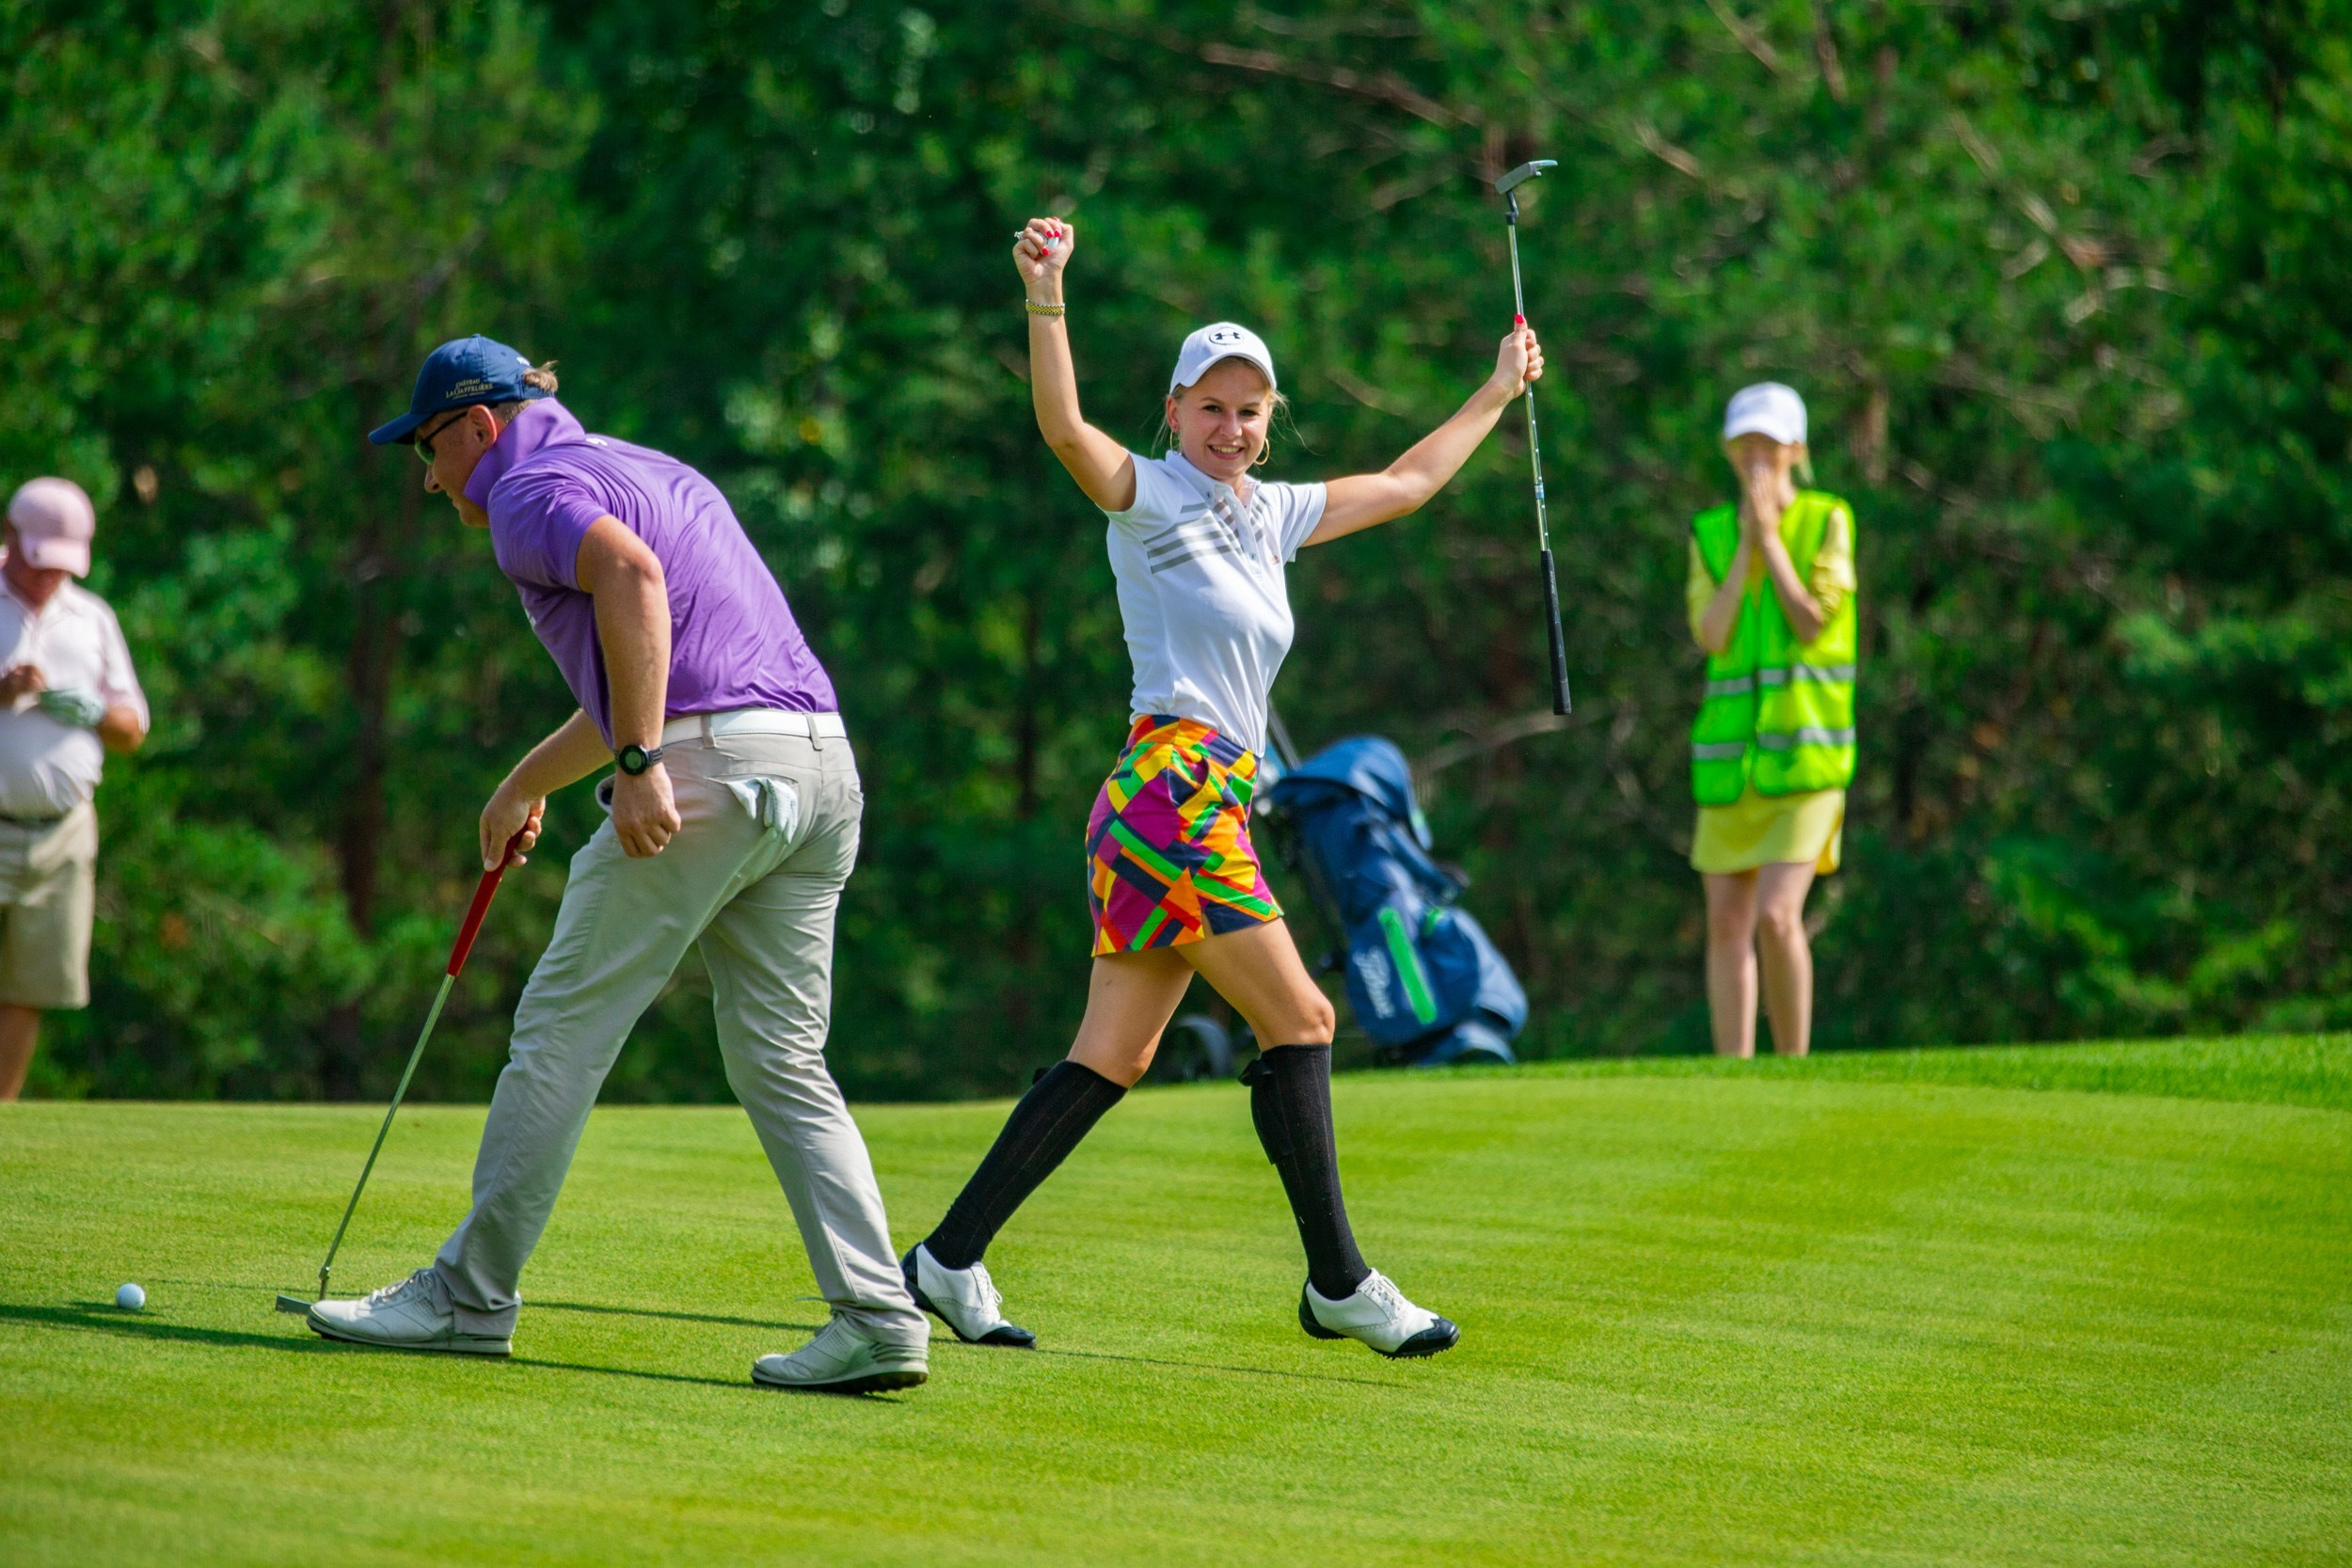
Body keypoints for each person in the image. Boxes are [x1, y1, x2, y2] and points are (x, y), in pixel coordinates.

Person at [897, 217, 1546, 1360]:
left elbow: (1406, 481)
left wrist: (1496, 389)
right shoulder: (1146, 496)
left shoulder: (1275, 512)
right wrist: (1045, 296)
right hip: (1171, 791)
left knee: (1115, 1055)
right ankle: (1339, 1281)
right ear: (1175, 409)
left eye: (1250, 408)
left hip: (1184, 800)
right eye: (1211, 405)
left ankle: (945, 1259)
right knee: (1300, 1016)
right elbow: (1061, 427)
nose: (1232, 425)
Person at [309, 336, 929, 1394]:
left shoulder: (526, 492)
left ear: (479, 425)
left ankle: (468, 1296)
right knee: (783, 1060)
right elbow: (655, 658)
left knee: (560, 1028)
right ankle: (878, 1315)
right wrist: (526, 781)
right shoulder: (647, 466)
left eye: (427, 444)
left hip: (711, 771)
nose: (426, 471)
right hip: (820, 767)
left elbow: (633, 585)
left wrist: (640, 764)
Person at [1685, 383, 1857, 1058]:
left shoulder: (1828, 519)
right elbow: (1713, 632)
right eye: (1745, 443)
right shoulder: (1709, 533)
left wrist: (1772, 542)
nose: (1757, 456)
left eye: (1770, 443)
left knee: (1779, 915)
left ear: (1797, 450)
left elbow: (1813, 621)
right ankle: (1735, 1072)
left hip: (1807, 760)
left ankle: (1793, 1065)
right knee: (1726, 921)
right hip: (1731, 765)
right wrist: (1748, 550)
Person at [0, 479, 148, 1101]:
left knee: (28, 987)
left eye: (61, 567)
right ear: (11, 539)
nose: (48, 579)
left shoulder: (92, 618)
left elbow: (132, 727)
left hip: (61, 834)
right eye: (38, 565)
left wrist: (88, 710)